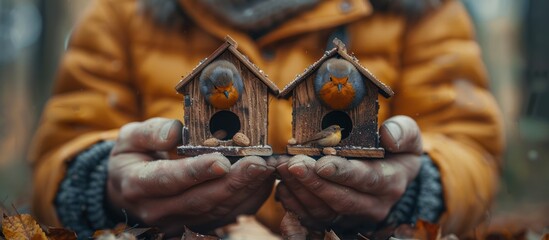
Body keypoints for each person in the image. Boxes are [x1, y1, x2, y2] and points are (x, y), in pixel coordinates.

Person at [29, 0, 504, 238]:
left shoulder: (420, 10)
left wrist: (419, 189)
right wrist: (102, 186)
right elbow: (62, 147)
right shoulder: (120, 14)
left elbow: (471, 146)